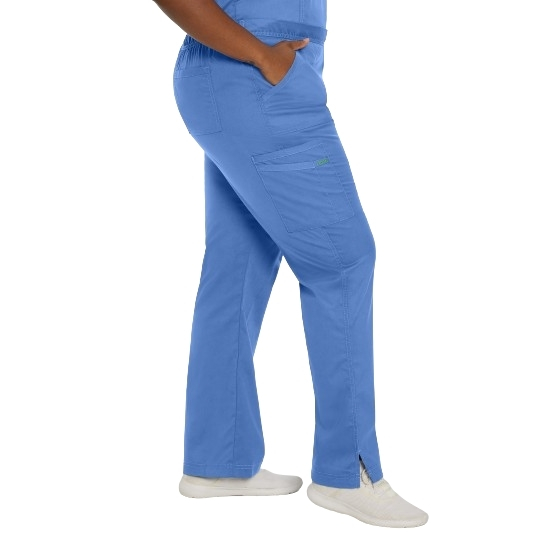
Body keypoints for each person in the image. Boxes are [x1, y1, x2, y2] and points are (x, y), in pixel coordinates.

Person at [151, 0, 429, 528]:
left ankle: (219, 459)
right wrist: (263, 56)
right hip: (254, 73)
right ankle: (347, 473)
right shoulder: (260, 60)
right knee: (343, 262)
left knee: (238, 263)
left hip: (239, 74)